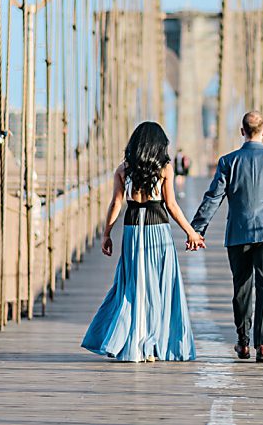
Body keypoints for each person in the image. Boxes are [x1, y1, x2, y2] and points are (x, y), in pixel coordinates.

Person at [82, 121, 204, 362]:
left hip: (132, 230)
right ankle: (154, 343)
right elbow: (171, 205)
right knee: (159, 287)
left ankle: (133, 342)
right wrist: (191, 232)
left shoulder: (124, 169)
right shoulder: (165, 169)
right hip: (157, 230)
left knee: (132, 286)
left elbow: (116, 204)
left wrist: (106, 234)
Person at [189, 111, 263, 363]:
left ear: (242, 131)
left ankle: (243, 342)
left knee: (242, 288)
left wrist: (197, 228)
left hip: (238, 233)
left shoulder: (228, 161)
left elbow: (213, 197)